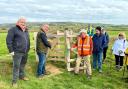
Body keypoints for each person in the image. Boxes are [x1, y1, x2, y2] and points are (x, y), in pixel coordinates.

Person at [6, 17, 30, 87]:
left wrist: (27, 49)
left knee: (22, 65)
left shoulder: (26, 30)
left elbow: (27, 40)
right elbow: (8, 41)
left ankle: (21, 76)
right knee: (16, 67)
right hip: (17, 52)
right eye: (21, 22)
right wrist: (11, 51)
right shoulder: (13, 30)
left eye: (24, 22)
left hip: (25, 52)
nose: (23, 23)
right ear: (17, 22)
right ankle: (14, 82)